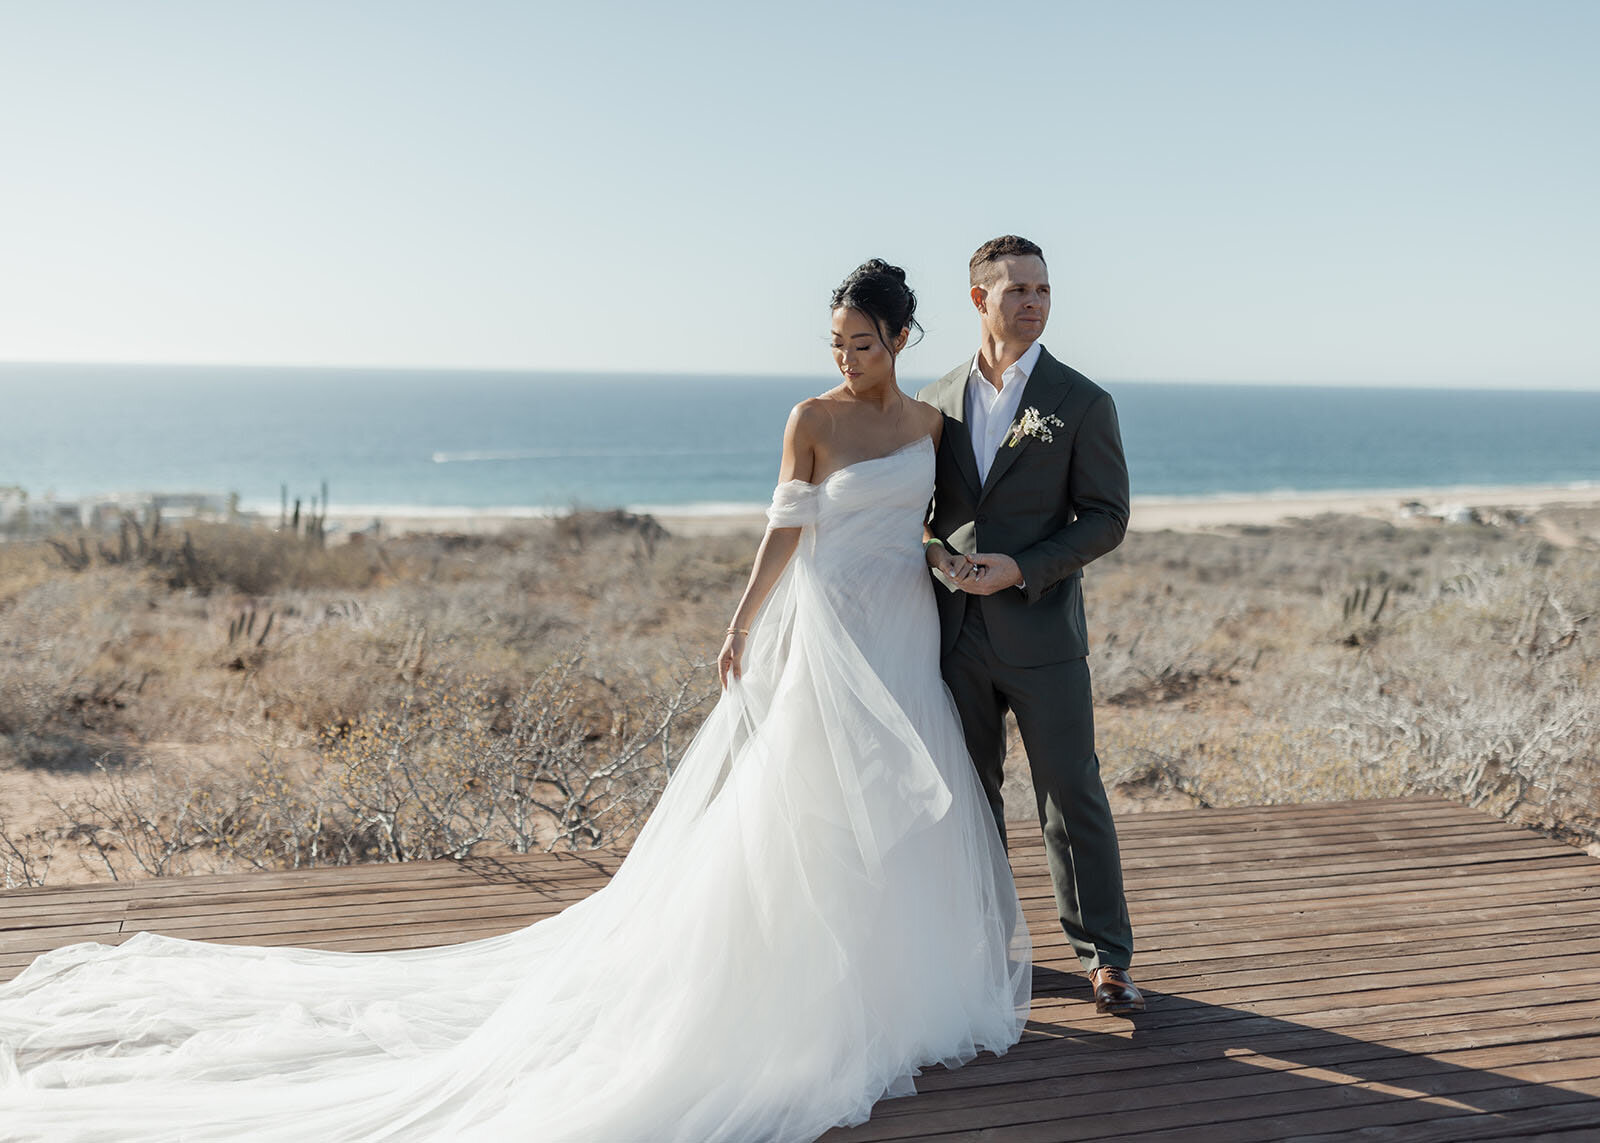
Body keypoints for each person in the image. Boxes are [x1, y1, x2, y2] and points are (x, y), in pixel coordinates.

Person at [0, 260, 1030, 1143]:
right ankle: (809, 993)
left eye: (861, 341)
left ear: (900, 336)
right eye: (836, 340)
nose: (844, 355)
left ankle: (897, 997)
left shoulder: (933, 425)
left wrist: (959, 567)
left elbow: (939, 527)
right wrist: (739, 622)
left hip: (901, 625)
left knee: (902, 803)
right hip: (823, 630)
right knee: (804, 804)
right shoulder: (809, 419)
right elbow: (783, 531)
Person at [918, 235, 1142, 1015]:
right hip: (954, 636)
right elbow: (921, 513)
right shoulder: (934, 401)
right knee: (968, 797)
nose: (1035, 301)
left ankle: (1104, 956)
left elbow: (1107, 517)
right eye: (1017, 289)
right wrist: (937, 556)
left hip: (1044, 633)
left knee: (1070, 794)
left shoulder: (1082, 401)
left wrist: (1023, 567)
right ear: (979, 298)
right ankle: (983, 943)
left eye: (1043, 288)